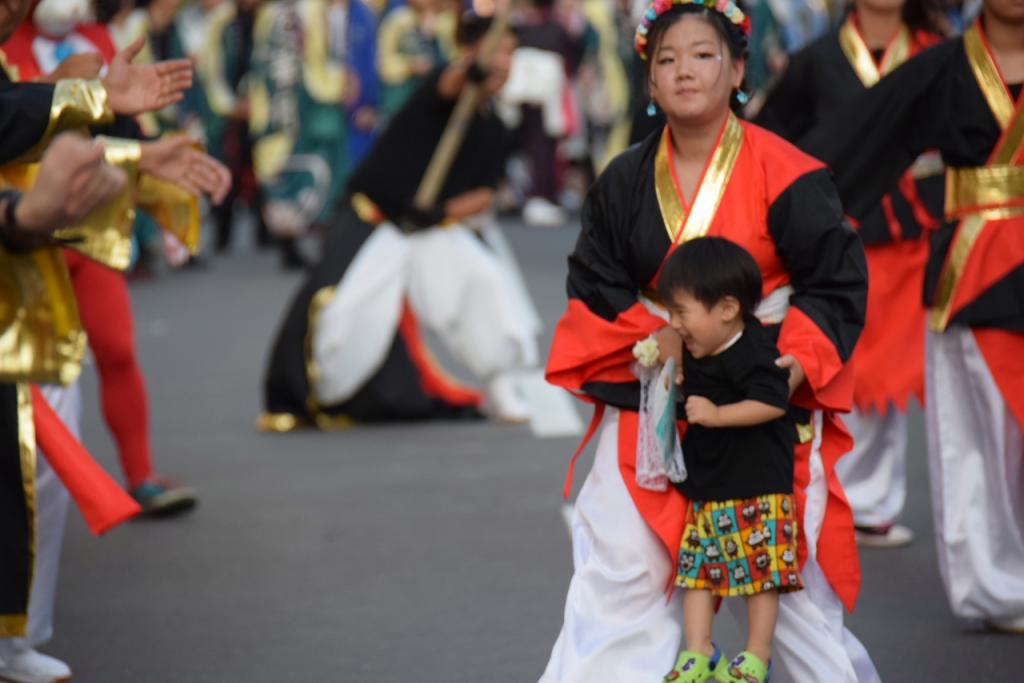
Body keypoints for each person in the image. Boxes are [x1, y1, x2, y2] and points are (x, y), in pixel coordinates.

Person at [540, 0, 878, 680]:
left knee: (787, 593)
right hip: (653, 395)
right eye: (666, 60)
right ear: (650, 83)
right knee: (622, 568)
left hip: (760, 396)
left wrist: (788, 369)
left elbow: (833, 281)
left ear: (738, 70)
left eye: (701, 55)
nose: (684, 71)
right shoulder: (624, 180)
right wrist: (659, 337)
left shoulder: (788, 171)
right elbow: (595, 281)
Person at [802, 0, 1024, 633]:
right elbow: (856, 139)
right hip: (974, 273)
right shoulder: (943, 68)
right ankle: (997, 586)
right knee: (980, 442)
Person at [260, 10, 540, 430]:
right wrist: (470, 69)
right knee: (342, 314)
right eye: (496, 51)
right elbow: (452, 82)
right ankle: (325, 391)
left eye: (510, 53)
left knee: (482, 281)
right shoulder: (442, 87)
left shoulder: (495, 127)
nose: (503, 62)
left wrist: (440, 212)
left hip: (428, 227)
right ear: (469, 52)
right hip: (375, 221)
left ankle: (501, 385)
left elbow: (485, 192)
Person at [755, 0, 946, 548]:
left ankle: (872, 501)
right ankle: (831, 490)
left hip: (916, 231)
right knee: (841, 362)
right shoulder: (815, 61)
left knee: (891, 373)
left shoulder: (939, 55)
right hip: (839, 229)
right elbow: (775, 138)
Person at [656, 237, 801, 683]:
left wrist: (718, 415)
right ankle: (698, 650)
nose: (675, 324)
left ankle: (756, 655)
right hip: (711, 484)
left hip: (759, 485)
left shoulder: (757, 349)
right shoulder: (697, 351)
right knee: (697, 572)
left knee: (761, 576)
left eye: (681, 313)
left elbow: (774, 402)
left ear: (726, 308)